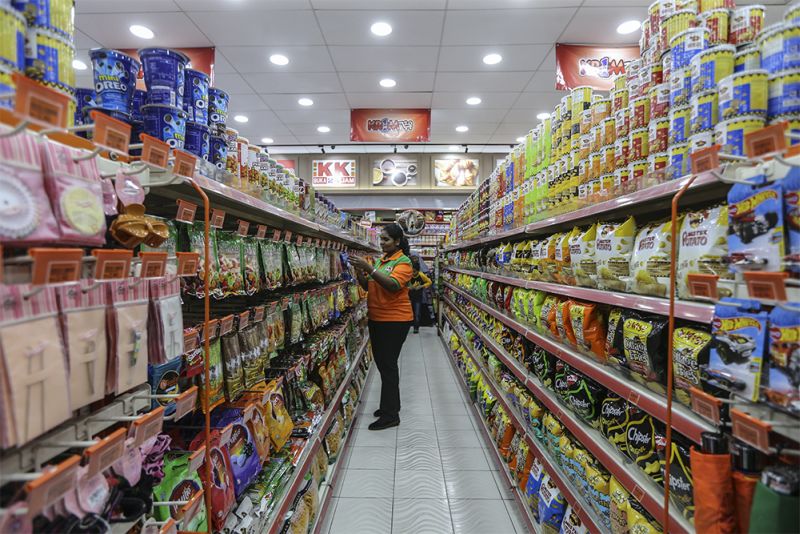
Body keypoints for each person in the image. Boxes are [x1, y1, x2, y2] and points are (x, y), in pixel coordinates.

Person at [349, 224, 413, 430]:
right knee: (384, 364)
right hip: (378, 318)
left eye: (386, 239)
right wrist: (360, 272)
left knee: (388, 366)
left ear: (397, 241)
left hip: (394, 320)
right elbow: (368, 286)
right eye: (381, 239)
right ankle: (390, 406)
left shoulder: (403, 262)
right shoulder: (382, 260)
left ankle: (391, 415)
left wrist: (369, 268)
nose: (382, 243)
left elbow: (393, 286)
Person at [408, 256, 432, 334]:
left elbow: (429, 282)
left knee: (417, 313)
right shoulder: (408, 275)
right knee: (409, 313)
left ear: (418, 271)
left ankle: (416, 327)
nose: (413, 273)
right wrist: (409, 288)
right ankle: (407, 326)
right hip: (409, 297)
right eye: (412, 271)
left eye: (415, 272)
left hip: (418, 297)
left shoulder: (421, 275)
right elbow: (404, 284)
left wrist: (421, 286)